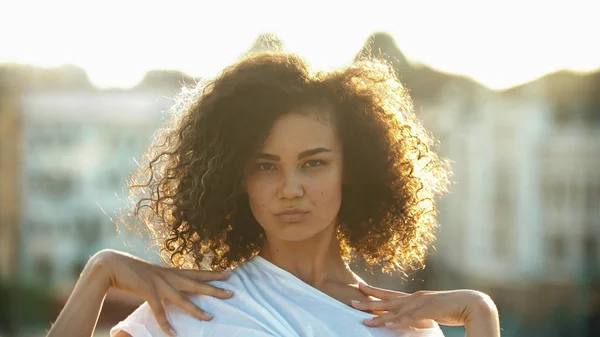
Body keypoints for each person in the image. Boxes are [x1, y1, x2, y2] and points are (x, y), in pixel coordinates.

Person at [46, 52, 500, 337]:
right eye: (266, 166)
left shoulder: (403, 325)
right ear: (238, 179)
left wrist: (480, 313)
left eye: (314, 162)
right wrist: (100, 273)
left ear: (351, 170)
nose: (291, 188)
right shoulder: (193, 308)